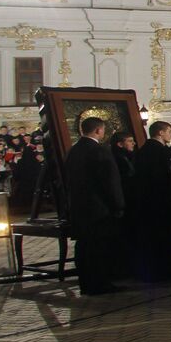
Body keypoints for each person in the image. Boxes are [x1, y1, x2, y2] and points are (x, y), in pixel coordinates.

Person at [63, 117, 125, 295]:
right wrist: (118, 205)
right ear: (98, 131)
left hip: (79, 208)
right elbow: (110, 182)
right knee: (99, 248)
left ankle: (86, 283)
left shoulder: (73, 151)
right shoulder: (99, 151)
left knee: (83, 247)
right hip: (99, 210)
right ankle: (100, 283)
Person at [133, 121, 171, 282]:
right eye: (169, 131)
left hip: (147, 200)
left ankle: (155, 269)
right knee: (164, 235)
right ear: (160, 133)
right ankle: (168, 270)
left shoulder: (143, 150)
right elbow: (166, 175)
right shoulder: (161, 151)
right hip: (161, 200)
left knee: (152, 236)